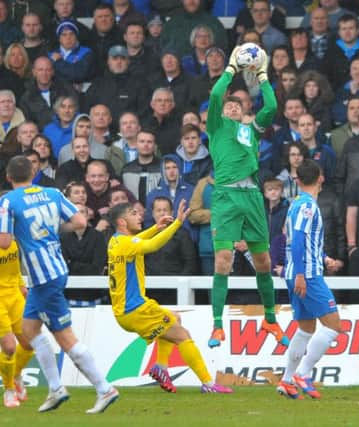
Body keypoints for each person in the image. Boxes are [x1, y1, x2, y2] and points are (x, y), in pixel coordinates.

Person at [0, 156, 119, 413]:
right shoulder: (53, 193)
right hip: (56, 268)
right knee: (29, 330)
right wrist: (52, 230)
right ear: (34, 174)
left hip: (43, 277)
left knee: (65, 338)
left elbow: (5, 241)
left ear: (9, 177)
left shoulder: (8, 201)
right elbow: (79, 222)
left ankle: (104, 388)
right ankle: (55, 389)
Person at [206, 45, 288, 348]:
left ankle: (270, 320)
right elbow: (216, 96)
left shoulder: (250, 130)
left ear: (243, 112)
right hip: (226, 196)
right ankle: (217, 325)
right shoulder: (215, 127)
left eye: (237, 106)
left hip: (252, 195)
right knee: (223, 260)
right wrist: (231, 69)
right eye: (229, 106)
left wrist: (263, 75)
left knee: (263, 261)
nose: (232, 108)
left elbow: (271, 106)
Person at [108, 200, 231, 394]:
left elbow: (138, 241)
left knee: (175, 318)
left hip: (124, 310)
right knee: (183, 336)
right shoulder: (127, 243)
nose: (139, 216)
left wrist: (156, 227)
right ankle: (208, 384)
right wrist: (177, 224)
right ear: (122, 222)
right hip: (136, 309)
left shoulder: (115, 240)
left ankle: (161, 367)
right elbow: (152, 245)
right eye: (133, 213)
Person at [277, 159, 342, 400]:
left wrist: (324, 257)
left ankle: (286, 381)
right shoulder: (307, 206)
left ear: (297, 180)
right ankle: (303, 374)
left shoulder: (295, 204)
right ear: (321, 177)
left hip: (296, 272)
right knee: (334, 326)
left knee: (306, 329)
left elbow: (295, 239)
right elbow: (298, 239)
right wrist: (304, 275)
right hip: (308, 275)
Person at [0, 238, 34, 408]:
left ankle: (16, 374)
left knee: (29, 344)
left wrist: (21, 285)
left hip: (14, 295)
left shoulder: (12, 239)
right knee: (9, 347)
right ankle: (9, 389)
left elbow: (14, 267)